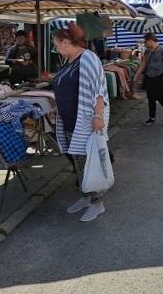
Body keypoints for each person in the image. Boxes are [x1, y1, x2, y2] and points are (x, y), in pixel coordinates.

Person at [52, 23, 110, 222]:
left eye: (56, 44)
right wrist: (57, 108)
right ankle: (86, 197)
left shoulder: (88, 58)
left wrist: (98, 116)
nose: (56, 47)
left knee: (89, 163)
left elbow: (99, 89)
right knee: (78, 163)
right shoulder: (68, 60)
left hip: (85, 121)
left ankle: (97, 203)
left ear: (65, 42)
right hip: (69, 120)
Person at [134, 33, 163, 126]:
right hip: (149, 76)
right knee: (150, 97)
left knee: (159, 95)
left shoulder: (162, 50)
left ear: (150, 40)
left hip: (160, 76)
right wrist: (137, 75)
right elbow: (144, 64)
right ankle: (152, 118)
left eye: (145, 42)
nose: (145, 44)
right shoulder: (147, 51)